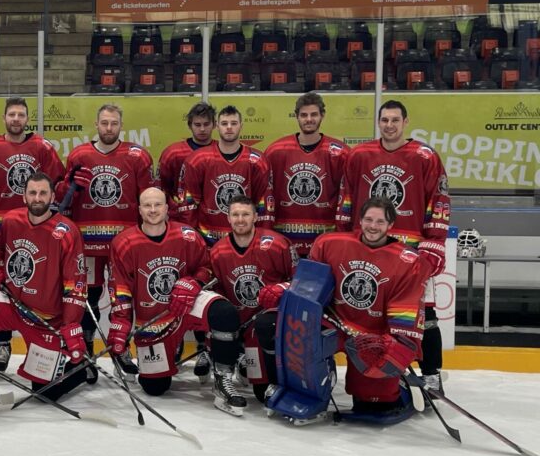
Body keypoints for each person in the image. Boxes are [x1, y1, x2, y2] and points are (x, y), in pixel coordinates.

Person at [261, 197, 424, 421]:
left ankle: (399, 388)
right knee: (298, 334)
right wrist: (283, 289)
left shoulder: (407, 261)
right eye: (368, 219)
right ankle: (308, 394)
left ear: (390, 225)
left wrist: (396, 343)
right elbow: (308, 284)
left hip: (372, 338)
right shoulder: (331, 243)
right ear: (360, 220)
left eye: (379, 221)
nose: (373, 226)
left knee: (373, 405)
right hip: (333, 322)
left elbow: (406, 309)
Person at [337, 100, 449, 393]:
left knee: (424, 314)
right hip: (368, 247)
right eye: (384, 120)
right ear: (378, 122)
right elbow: (346, 196)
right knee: (373, 313)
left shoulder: (425, 156)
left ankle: (431, 373)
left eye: (394, 120)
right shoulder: (360, 154)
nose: (389, 125)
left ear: (405, 122)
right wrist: (344, 235)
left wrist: (434, 242)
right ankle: (385, 370)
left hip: (410, 253)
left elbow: (438, 200)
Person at [107, 187, 247, 415]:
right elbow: (120, 287)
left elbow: (208, 268)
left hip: (186, 305)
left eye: (157, 205)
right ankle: (173, 346)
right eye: (147, 205)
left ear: (166, 208)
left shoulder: (187, 235)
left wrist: (195, 282)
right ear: (139, 209)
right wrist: (120, 324)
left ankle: (223, 379)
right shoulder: (124, 243)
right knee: (155, 387)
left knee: (224, 313)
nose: (153, 210)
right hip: (155, 319)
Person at [0, 96, 65, 370]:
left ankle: (39, 347)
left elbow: (55, 188)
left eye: (21, 115)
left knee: (34, 287)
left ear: (27, 119)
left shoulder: (42, 147)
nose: (16, 119)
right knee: (0, 288)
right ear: (4, 118)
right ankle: (2, 345)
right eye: (11, 114)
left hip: (35, 232)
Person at [57, 102, 154, 355]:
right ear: (96, 124)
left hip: (125, 244)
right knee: (87, 296)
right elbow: (64, 201)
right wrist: (68, 186)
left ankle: (121, 348)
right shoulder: (79, 155)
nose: (109, 128)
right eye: (104, 122)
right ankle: (87, 345)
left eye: (114, 123)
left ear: (121, 125)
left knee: (123, 298)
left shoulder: (138, 156)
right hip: (87, 244)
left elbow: (148, 199)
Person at [0, 172, 91, 399]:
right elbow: (0, 249)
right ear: (24, 197)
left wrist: (71, 323)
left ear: (53, 196)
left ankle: (80, 367)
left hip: (44, 319)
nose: (38, 198)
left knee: (44, 392)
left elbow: (76, 284)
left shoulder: (67, 232)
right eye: (32, 193)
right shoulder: (12, 220)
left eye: (43, 193)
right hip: (11, 304)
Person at [209, 195, 295, 402]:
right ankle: (236, 360)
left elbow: (300, 280)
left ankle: (276, 378)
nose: (240, 219)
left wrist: (282, 287)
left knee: (262, 394)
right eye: (235, 215)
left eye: (246, 214)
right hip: (240, 326)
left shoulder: (277, 244)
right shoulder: (218, 251)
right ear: (228, 218)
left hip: (267, 326)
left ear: (256, 217)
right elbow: (217, 294)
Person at [263, 92, 349, 259]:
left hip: (323, 241)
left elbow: (346, 198)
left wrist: (342, 234)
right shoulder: (276, 151)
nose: (309, 119)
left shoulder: (340, 153)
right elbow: (267, 196)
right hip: (284, 239)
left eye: (314, 114)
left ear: (322, 115)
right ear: (296, 116)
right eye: (304, 115)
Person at [174, 104, 271, 246]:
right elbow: (188, 203)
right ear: (217, 126)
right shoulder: (197, 159)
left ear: (241, 126)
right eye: (225, 123)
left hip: (246, 238)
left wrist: (261, 238)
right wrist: (193, 238)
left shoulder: (258, 161)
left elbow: (262, 202)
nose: (229, 127)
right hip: (208, 238)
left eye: (234, 123)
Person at [157, 102, 215, 222]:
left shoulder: (221, 152)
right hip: (180, 218)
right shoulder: (173, 153)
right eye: (197, 125)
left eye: (206, 124)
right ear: (190, 125)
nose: (202, 129)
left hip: (213, 219)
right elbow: (161, 187)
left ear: (214, 125)